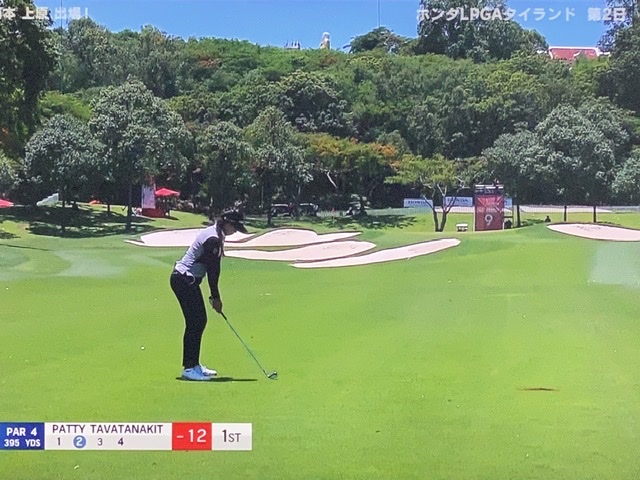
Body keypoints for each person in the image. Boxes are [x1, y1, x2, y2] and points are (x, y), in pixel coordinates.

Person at [170, 209, 248, 381]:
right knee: (196, 322)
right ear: (226, 223)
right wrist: (216, 297)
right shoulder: (213, 239)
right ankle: (189, 368)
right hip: (183, 280)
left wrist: (214, 297)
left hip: (187, 281)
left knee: (198, 321)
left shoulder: (217, 235)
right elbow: (213, 271)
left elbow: (213, 269)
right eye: (234, 227)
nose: (235, 231)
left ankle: (194, 365)